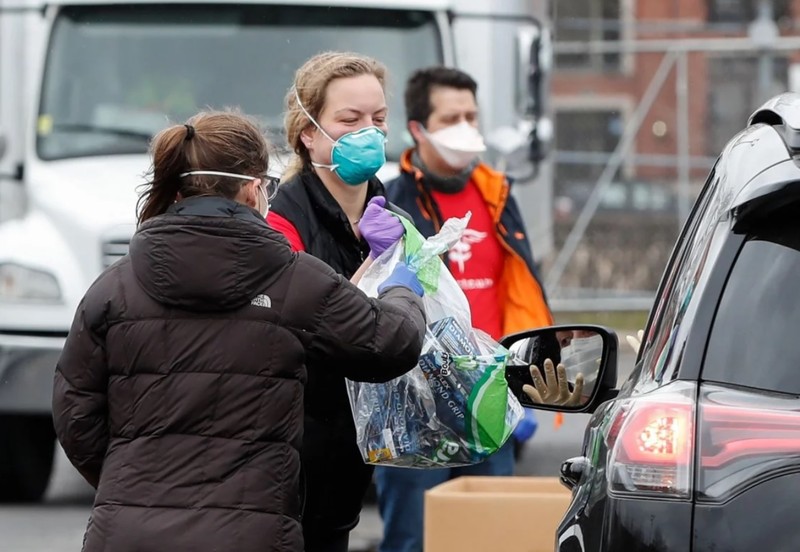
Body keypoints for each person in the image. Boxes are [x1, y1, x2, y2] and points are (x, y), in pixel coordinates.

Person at [51, 110, 427, 552]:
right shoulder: (292, 278)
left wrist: (129, 484)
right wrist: (400, 285)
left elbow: (75, 409)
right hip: (251, 534)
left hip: (127, 532)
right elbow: (391, 343)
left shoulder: (115, 285)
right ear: (253, 189)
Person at [376, 66, 555, 552]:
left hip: (488, 399)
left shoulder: (497, 195)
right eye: (451, 116)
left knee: (491, 535)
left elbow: (519, 286)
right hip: (415, 402)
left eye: (471, 115)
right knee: (413, 538)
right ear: (418, 128)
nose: (465, 126)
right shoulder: (390, 203)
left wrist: (533, 363)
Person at [266, 52, 408, 552]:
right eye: (349, 120)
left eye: (378, 119)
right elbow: (312, 323)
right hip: (293, 448)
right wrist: (375, 265)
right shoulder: (282, 220)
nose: (367, 131)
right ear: (308, 132)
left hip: (355, 444)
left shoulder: (389, 210)